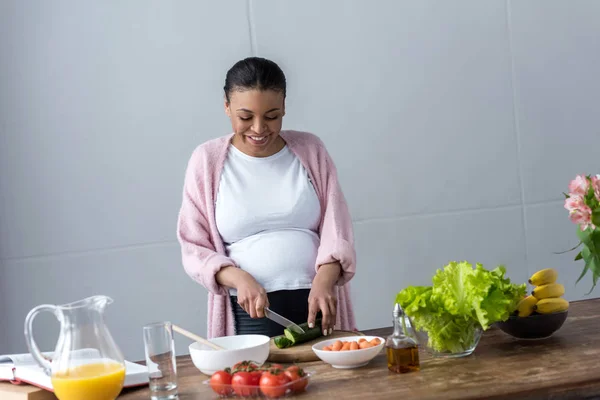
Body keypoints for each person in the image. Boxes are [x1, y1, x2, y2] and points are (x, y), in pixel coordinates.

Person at [176, 57, 356, 339]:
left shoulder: (311, 150)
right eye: (245, 117)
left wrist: (325, 278)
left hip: (318, 306)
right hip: (248, 313)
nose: (259, 128)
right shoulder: (206, 161)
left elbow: (337, 227)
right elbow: (193, 247)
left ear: (284, 106)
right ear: (227, 107)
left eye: (272, 116)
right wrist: (238, 278)